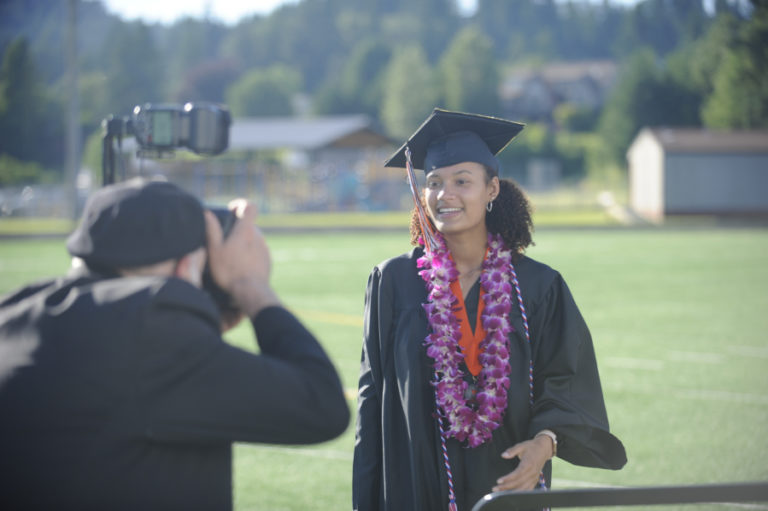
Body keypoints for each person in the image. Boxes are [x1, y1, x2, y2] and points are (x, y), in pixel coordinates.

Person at [0, 178, 349, 510]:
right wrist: (249, 284)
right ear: (186, 267)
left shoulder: (15, 310)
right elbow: (321, 405)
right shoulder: (153, 333)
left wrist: (201, 329)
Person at [353, 109, 626, 511]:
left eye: (462, 181)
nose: (446, 195)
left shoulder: (537, 287)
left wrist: (544, 444)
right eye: (434, 183)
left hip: (508, 482)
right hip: (415, 484)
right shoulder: (394, 281)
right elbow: (371, 401)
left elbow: (566, 378)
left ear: (492, 189)